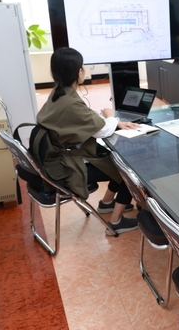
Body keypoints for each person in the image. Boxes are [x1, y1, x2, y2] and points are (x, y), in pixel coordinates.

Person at [36, 47, 140, 235]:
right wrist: (111, 118)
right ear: (79, 72)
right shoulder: (70, 102)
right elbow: (102, 130)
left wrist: (113, 122)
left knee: (111, 160)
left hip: (55, 160)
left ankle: (107, 203)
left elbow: (84, 121)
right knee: (129, 172)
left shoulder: (58, 94)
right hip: (67, 168)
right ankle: (115, 222)